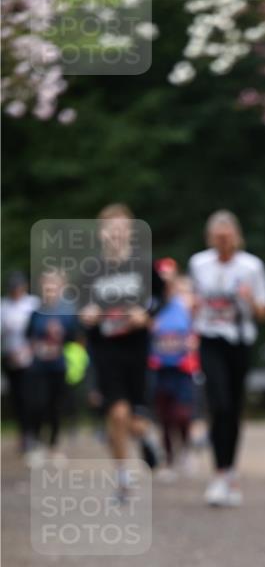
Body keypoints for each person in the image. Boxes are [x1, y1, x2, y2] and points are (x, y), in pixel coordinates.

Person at [188, 210, 265, 506]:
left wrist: (248, 299)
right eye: (217, 238)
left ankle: (231, 471)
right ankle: (219, 473)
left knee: (234, 409)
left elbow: (264, 312)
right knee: (218, 403)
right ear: (210, 238)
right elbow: (192, 302)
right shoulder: (199, 264)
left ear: (237, 237)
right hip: (210, 339)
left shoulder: (251, 267)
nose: (223, 243)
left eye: (228, 237)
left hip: (240, 341)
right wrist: (192, 305)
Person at [79, 203, 162, 498]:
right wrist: (87, 315)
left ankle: (145, 437)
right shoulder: (92, 270)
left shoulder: (143, 265)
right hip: (106, 351)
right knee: (116, 412)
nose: (115, 234)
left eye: (121, 228)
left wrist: (146, 314)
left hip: (137, 350)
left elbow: (159, 299)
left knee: (135, 419)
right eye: (110, 229)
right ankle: (123, 477)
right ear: (102, 234)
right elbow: (82, 307)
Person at [23, 270, 79, 465]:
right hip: (38, 367)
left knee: (55, 407)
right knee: (37, 404)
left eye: (54, 286)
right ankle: (37, 445)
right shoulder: (36, 312)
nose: (50, 290)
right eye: (47, 287)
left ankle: (54, 447)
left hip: (58, 366)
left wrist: (61, 333)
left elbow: (74, 337)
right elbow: (28, 335)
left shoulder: (67, 312)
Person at [149, 263, 198, 480]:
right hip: (159, 369)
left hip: (182, 368)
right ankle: (168, 459)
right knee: (165, 417)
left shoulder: (185, 305)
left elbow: (197, 329)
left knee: (182, 414)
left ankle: (186, 449)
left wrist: (192, 341)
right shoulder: (150, 307)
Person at [1, 271, 39, 454]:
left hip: (31, 359)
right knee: (17, 399)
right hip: (10, 358)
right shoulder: (3, 306)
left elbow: (39, 332)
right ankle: (24, 434)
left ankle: (32, 433)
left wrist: (28, 350)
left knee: (30, 398)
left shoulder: (33, 305)